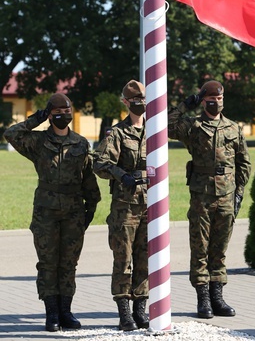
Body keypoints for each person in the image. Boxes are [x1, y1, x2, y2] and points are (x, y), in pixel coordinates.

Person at [3, 92, 101, 332]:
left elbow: (88, 178)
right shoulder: (37, 142)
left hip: (74, 211)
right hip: (45, 212)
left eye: (66, 113)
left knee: (68, 263)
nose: (63, 117)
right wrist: (35, 120)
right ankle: (52, 314)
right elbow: (11, 134)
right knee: (48, 263)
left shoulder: (80, 143)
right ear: (49, 116)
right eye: (57, 114)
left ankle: (66, 311)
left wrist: (92, 206)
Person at [168, 80, 251, 319]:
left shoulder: (233, 128)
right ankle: (203, 299)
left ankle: (218, 298)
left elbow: (243, 162)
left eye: (220, 99)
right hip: (201, 196)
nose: (216, 103)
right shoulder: (193, 126)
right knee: (200, 248)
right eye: (211, 100)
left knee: (220, 249)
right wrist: (185, 105)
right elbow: (164, 126)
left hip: (226, 196)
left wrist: (238, 192)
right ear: (203, 101)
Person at [93, 80, 148, 331]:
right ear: (126, 102)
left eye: (143, 99)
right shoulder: (116, 134)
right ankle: (124, 311)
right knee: (123, 259)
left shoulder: (154, 131)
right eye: (135, 100)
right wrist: (120, 173)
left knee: (145, 259)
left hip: (150, 205)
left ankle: (140, 309)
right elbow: (100, 163)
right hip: (125, 207)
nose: (140, 104)